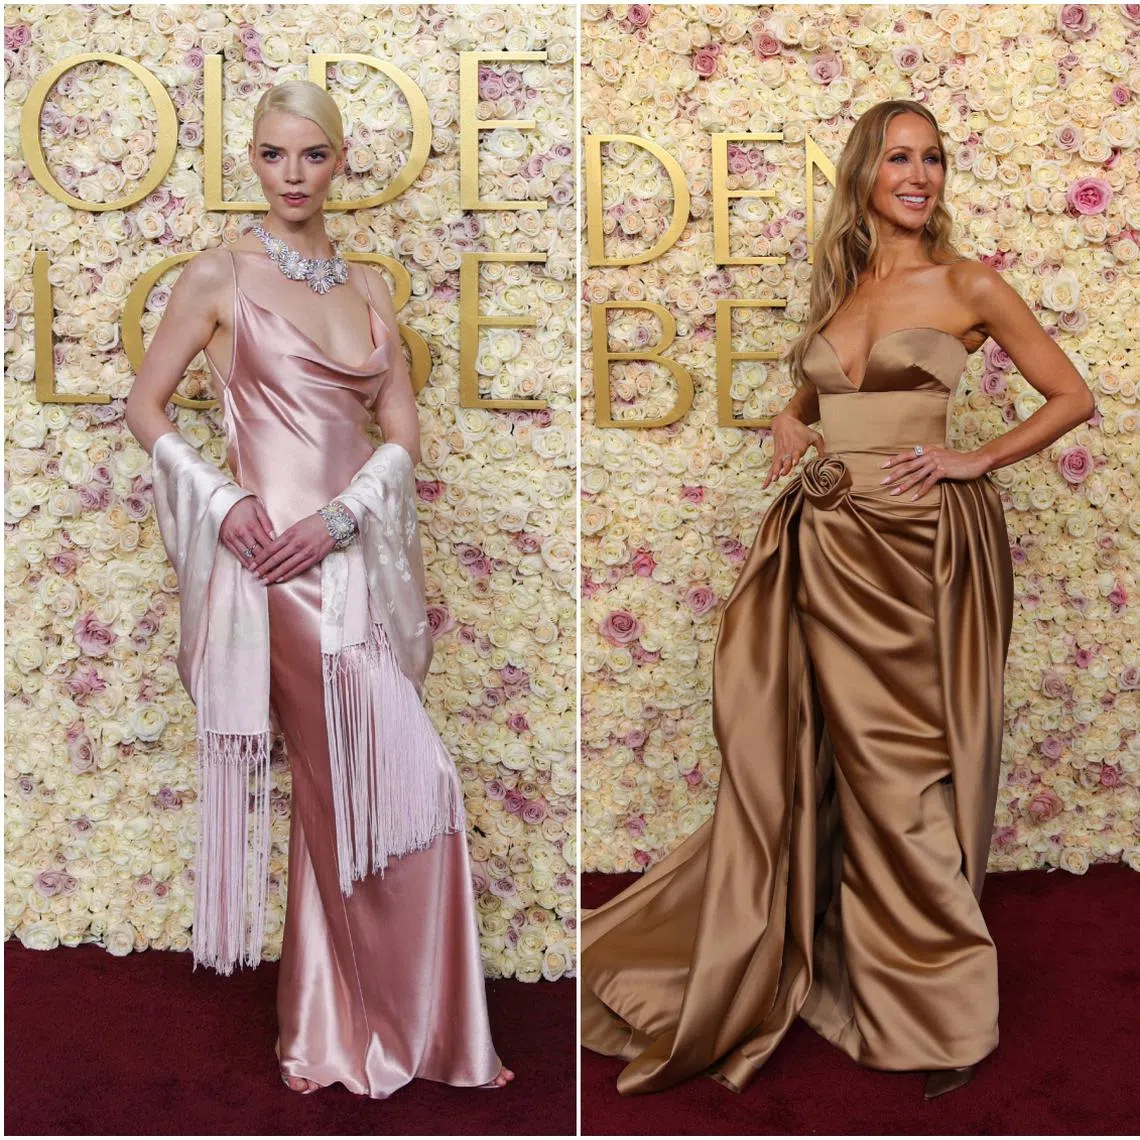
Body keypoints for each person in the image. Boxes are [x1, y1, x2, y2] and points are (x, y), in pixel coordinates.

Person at [581, 99, 1094, 1101]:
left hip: (917, 553)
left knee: (903, 770)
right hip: (827, 543)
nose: (920, 175)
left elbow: (1073, 396)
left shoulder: (970, 284)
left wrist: (976, 457)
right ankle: (845, 959)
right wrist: (790, 415)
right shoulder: (845, 287)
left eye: (933, 158)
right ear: (864, 172)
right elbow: (830, 391)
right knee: (830, 760)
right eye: (899, 157)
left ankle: (940, 1009)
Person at [126, 80, 513, 1097]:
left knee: (381, 783)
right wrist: (221, 502)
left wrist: (342, 518)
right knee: (351, 783)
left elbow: (402, 432)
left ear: (340, 162)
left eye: (311, 155)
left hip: (348, 559)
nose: (291, 175)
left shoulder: (368, 288)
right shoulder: (218, 274)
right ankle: (365, 1033)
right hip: (272, 572)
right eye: (272, 154)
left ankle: (353, 1028)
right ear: (251, 160)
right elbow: (146, 405)